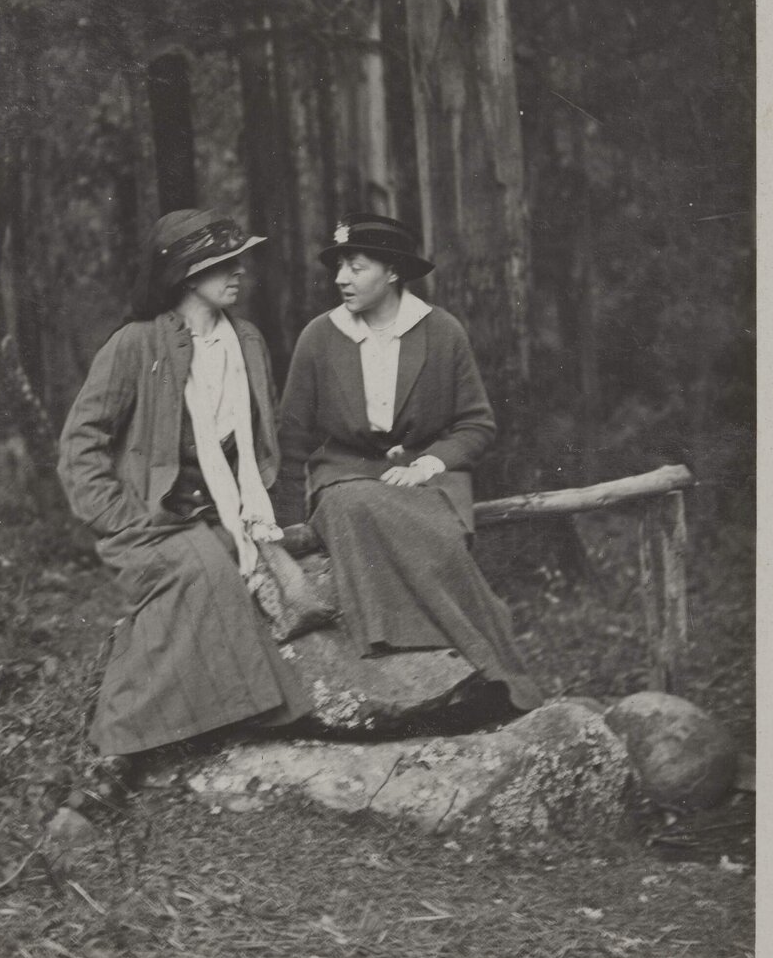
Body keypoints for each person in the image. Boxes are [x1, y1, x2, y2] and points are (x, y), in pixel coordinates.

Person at [58, 208, 311, 770]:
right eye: (224, 263)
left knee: (232, 563)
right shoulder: (137, 344)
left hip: (231, 511)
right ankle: (119, 751)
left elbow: (267, 442)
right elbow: (82, 443)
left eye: (238, 260)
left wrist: (273, 516)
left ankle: (189, 728)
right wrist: (120, 516)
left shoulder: (247, 341)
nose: (239, 271)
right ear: (186, 276)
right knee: (199, 570)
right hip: (151, 518)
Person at [276, 213, 541, 714]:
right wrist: (290, 521)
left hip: (425, 478)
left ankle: (491, 669)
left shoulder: (441, 332)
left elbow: (476, 425)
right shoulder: (319, 336)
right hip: (344, 476)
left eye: (356, 267)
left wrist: (429, 466)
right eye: (339, 268)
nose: (341, 279)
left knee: (441, 542)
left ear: (393, 272)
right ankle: (447, 656)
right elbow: (291, 440)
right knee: (354, 503)